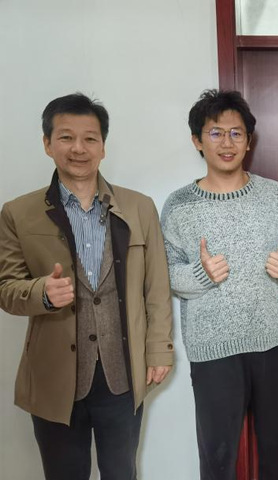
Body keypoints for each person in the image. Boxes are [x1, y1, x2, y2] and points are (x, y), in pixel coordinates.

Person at [0, 93, 174, 479]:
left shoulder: (139, 207)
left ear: (103, 146)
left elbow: (157, 287)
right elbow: (6, 289)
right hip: (54, 377)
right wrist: (42, 293)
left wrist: (159, 349)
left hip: (122, 372)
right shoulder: (18, 212)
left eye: (90, 138)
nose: (78, 148)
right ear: (47, 144)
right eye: (66, 137)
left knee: (121, 472)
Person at [161, 89, 278, 480]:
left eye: (236, 133)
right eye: (216, 133)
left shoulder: (275, 194)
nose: (227, 143)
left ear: (249, 141)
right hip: (214, 351)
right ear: (197, 140)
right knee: (218, 457)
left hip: (275, 342)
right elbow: (166, 272)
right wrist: (201, 274)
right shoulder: (179, 205)